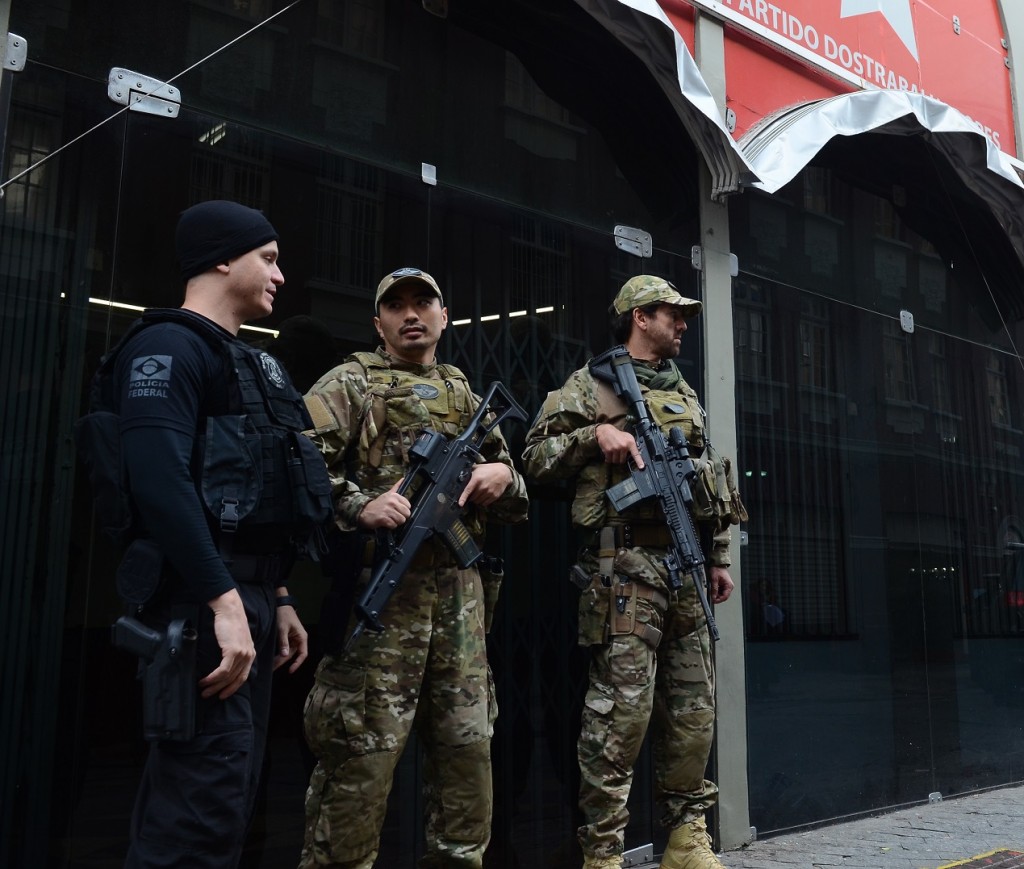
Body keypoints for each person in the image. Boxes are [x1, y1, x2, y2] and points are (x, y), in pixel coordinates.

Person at [86, 200, 332, 868]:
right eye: (270, 258)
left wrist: (275, 594)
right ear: (224, 258)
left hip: (237, 600)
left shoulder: (245, 361)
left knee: (228, 798)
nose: (280, 275)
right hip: (199, 606)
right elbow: (161, 485)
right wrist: (225, 600)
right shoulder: (167, 348)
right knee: (197, 811)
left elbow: (243, 492)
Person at [298, 267, 530, 868]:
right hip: (380, 609)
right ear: (377, 322)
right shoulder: (349, 383)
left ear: (443, 317)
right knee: (357, 775)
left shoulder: (465, 394)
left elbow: (517, 494)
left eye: (423, 303)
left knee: (466, 774)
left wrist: (501, 477)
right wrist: (358, 503)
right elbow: (294, 465)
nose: (411, 314)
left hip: (460, 614)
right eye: (395, 305)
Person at [521, 275, 747, 869]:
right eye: (672, 314)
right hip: (625, 569)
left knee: (694, 711)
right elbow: (533, 459)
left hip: (686, 566)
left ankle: (684, 836)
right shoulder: (591, 385)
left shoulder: (685, 392)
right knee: (620, 716)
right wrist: (596, 437)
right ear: (638, 317)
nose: (683, 324)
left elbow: (708, 482)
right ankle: (602, 850)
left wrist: (717, 558)